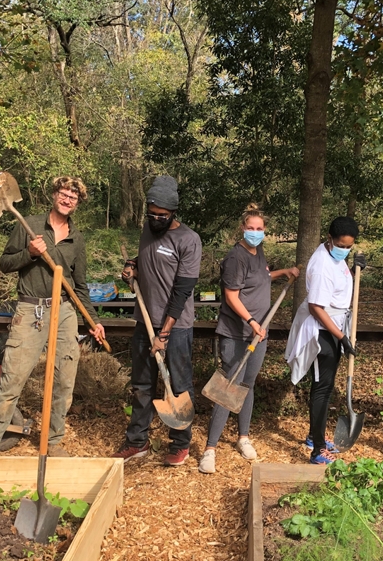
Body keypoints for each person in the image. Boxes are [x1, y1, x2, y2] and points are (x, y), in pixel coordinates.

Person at [0, 177, 106, 457]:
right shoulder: (30, 225)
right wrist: (30, 253)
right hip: (31, 309)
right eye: (64, 193)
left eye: (74, 196)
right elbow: (5, 263)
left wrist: (93, 322)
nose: (67, 199)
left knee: (64, 380)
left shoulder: (76, 239)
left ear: (78, 203)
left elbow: (79, 286)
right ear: (54, 195)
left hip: (66, 311)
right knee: (13, 379)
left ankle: (53, 441)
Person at [198, 205, 300, 474]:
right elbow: (231, 296)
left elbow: (262, 277)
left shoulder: (258, 252)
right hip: (237, 333)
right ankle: (210, 448)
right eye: (250, 228)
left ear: (264, 231)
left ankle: (243, 437)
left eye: (260, 229)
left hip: (259, 332)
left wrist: (283, 272)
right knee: (228, 386)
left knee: (248, 385)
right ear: (242, 229)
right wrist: (252, 322)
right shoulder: (236, 257)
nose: (255, 233)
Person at [113, 175, 202, 466]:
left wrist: (163, 334)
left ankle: (180, 443)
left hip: (175, 328)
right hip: (144, 321)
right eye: (151, 214)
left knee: (177, 385)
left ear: (173, 213)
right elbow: (143, 260)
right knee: (141, 385)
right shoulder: (147, 231)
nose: (155, 219)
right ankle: (137, 441)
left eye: (161, 216)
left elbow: (182, 291)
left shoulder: (188, 240)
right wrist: (131, 267)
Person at [285, 217, 365, 465]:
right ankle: (318, 449)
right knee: (321, 389)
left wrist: (354, 269)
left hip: (334, 327)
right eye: (341, 245)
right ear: (329, 239)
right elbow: (316, 307)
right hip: (321, 331)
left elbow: (337, 285)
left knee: (327, 386)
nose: (345, 250)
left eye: (349, 246)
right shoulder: (321, 264)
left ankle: (313, 435)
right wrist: (341, 337)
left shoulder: (335, 257)